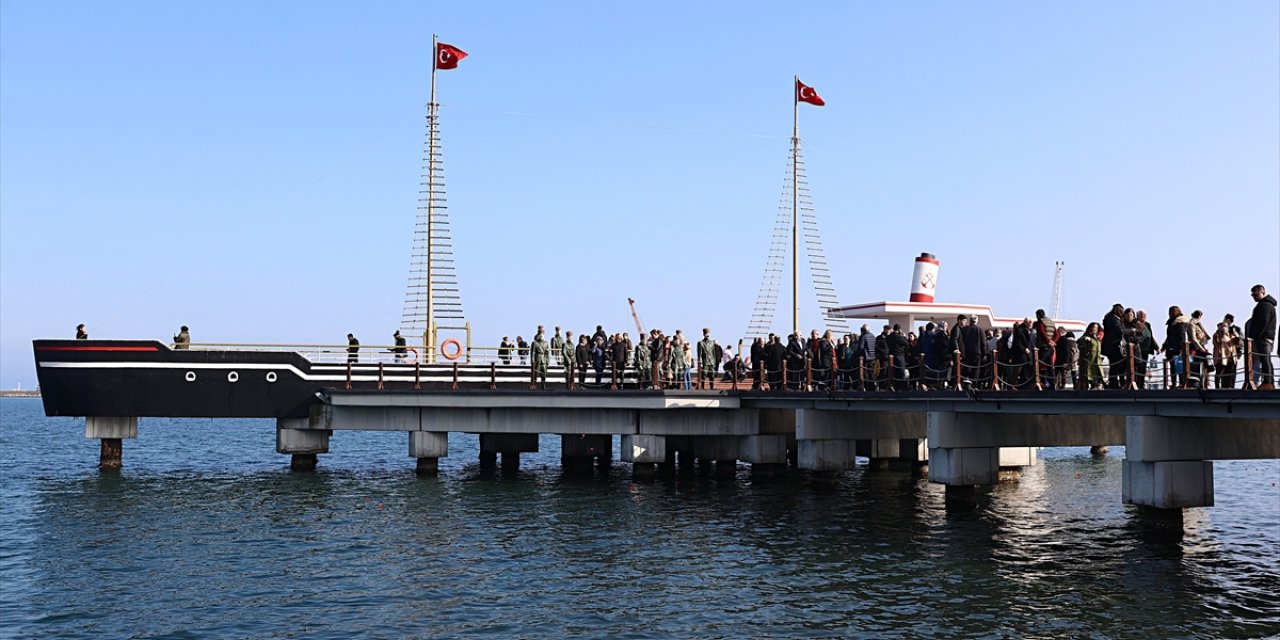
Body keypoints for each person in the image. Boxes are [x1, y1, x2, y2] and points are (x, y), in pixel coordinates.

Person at [1248, 284, 1277, 387]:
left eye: (1255, 294)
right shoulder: (1267, 305)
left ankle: (1267, 382)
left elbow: (1263, 322)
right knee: (1266, 360)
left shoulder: (1264, 305)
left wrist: (1255, 335)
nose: (1254, 297)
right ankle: (1269, 381)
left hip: (1263, 337)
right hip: (1266, 336)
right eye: (1253, 295)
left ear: (1262, 292)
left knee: (1265, 360)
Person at [1102, 303, 1125, 388]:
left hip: (1110, 345)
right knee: (1115, 365)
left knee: (1114, 365)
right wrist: (1129, 331)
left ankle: (1113, 382)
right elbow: (1119, 331)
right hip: (1113, 346)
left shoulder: (1109, 319)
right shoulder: (1114, 320)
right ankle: (1114, 383)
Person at [1033, 309, 1057, 389]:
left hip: (1043, 346)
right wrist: (1053, 341)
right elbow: (1057, 333)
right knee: (1050, 366)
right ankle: (1052, 384)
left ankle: (1038, 382)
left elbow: (1042, 332)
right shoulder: (1051, 322)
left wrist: (1048, 341)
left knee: (1038, 364)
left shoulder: (1041, 322)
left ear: (1038, 315)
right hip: (1051, 347)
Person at [1213, 320, 1240, 389]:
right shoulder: (1216, 335)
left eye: (1225, 326)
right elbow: (1217, 341)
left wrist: (1235, 332)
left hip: (1231, 357)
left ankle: (1228, 386)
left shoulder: (1231, 335)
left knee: (1229, 373)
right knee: (1219, 372)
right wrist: (1221, 333)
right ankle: (1217, 387)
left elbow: (1238, 341)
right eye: (1222, 326)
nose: (1224, 328)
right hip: (1221, 357)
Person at [1078, 323, 1104, 390]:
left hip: (1097, 357)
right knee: (1089, 372)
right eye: (1093, 327)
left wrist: (1091, 339)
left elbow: (1097, 343)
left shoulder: (1098, 336)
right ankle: (1090, 384)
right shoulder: (1086, 335)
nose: (1095, 329)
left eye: (1096, 328)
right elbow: (1079, 341)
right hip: (1089, 357)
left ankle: (1098, 384)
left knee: (1098, 371)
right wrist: (1086, 339)